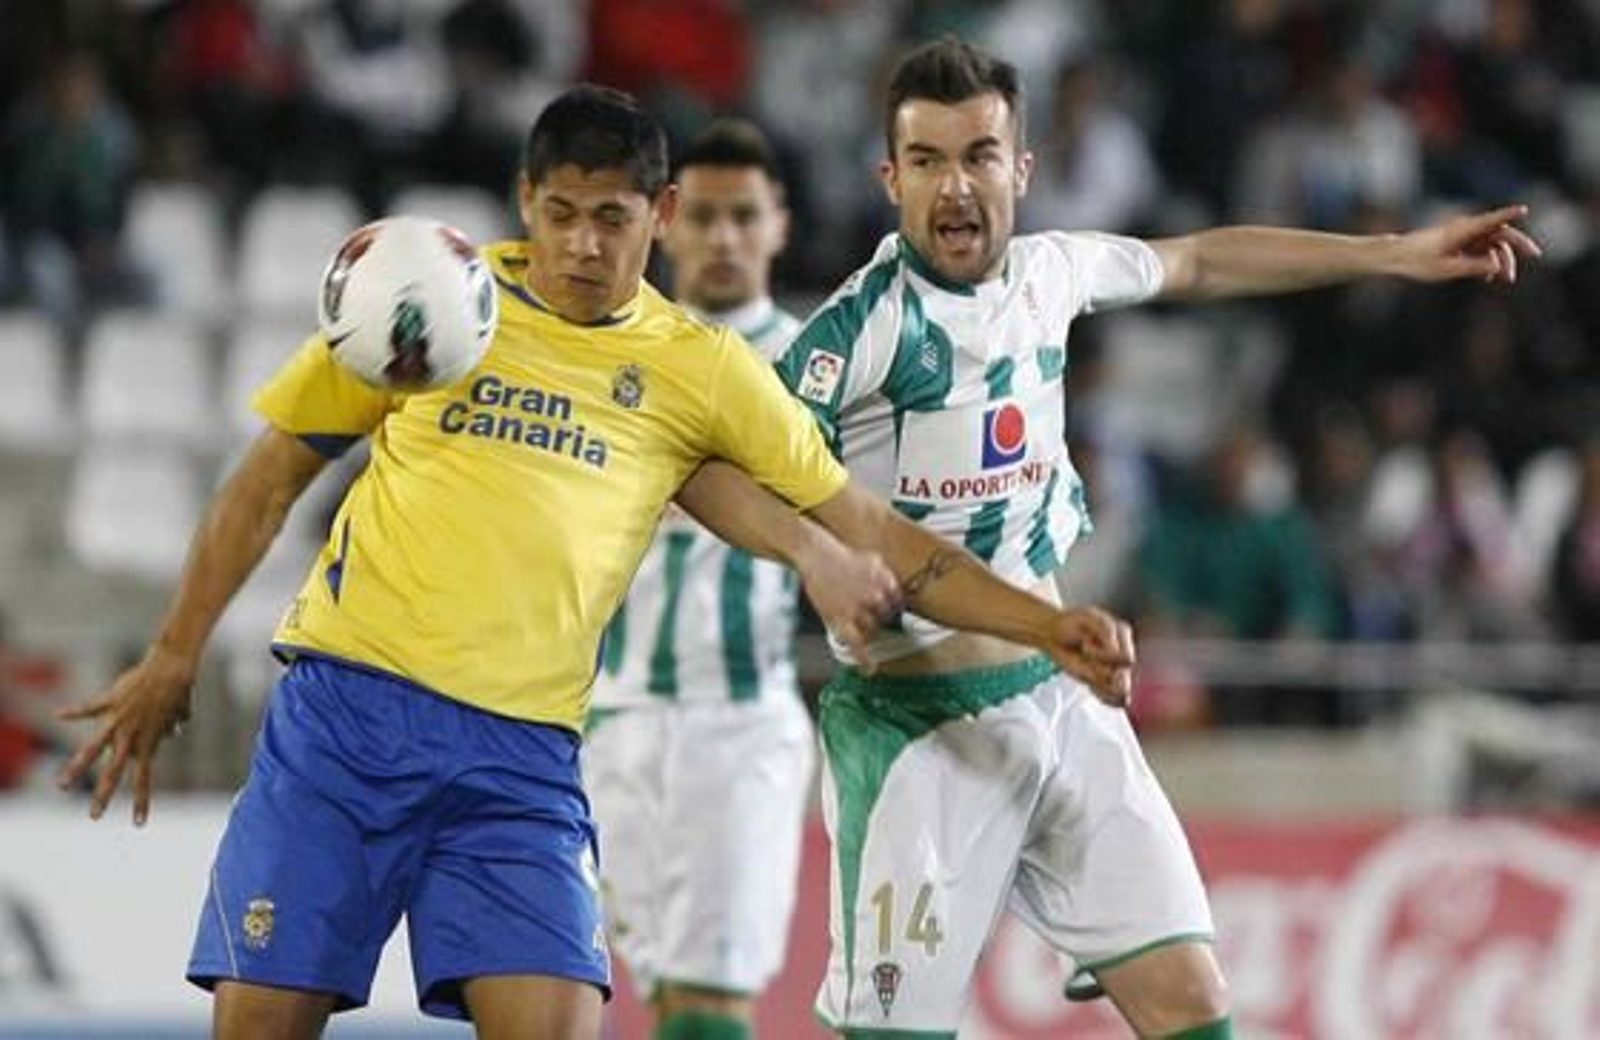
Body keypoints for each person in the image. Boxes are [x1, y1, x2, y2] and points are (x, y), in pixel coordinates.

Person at [54, 84, 1136, 1040]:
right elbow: (265, 481)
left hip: (517, 766)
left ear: (658, 217)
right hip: (345, 724)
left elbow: (870, 526)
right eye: (560, 214)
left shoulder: (694, 368)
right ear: (527, 202)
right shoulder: (426, 293)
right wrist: (173, 652)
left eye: (611, 219)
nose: (581, 245)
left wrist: (1044, 623)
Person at [743, 37, 1536, 1039]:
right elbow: (723, 465)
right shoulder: (859, 332)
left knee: (1196, 1008)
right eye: (929, 161)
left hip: (1062, 701)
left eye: (979, 155)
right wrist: (814, 551)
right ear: (889, 178)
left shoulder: (1050, 273)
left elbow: (1201, 257)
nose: (956, 186)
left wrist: (1394, 252)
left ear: (1019, 170)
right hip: (917, 735)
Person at [582, 118, 811, 1040]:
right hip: (611, 718)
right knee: (658, 997)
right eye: (705, 216)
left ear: (779, 225)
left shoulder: (815, 367)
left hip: (738, 715)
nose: (724, 238)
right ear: (669, 224)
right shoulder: (604, 356)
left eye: (744, 216)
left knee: (711, 1002)